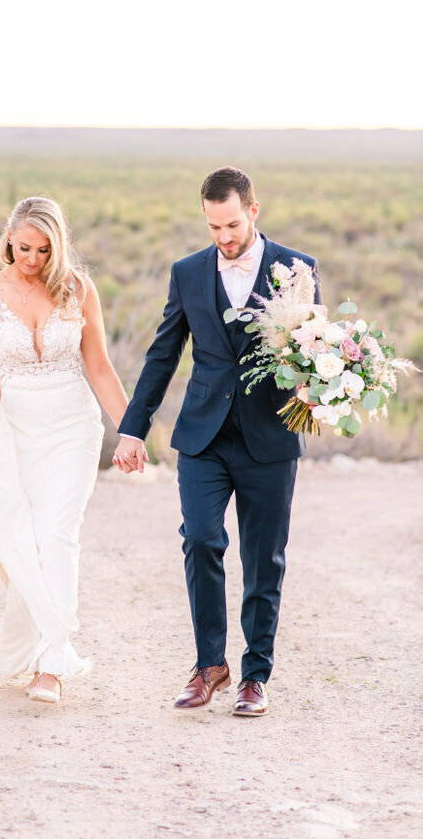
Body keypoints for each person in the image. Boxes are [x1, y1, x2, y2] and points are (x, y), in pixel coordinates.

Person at [113, 167, 320, 717]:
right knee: (201, 540)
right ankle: (210, 667)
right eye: (212, 227)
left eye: (231, 224)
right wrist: (133, 427)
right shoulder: (187, 273)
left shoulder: (296, 269)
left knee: (263, 558)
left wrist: (325, 387)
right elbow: (163, 354)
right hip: (202, 436)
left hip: (269, 437)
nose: (223, 237)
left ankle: (255, 675)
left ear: (253, 210)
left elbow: (313, 348)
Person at [0, 196, 130, 704]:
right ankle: (38, 645)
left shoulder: (79, 291)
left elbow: (99, 367)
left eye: (43, 249)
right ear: (8, 242)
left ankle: (52, 664)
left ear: (58, 246)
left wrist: (131, 430)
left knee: (57, 534)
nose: (33, 260)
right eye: (23, 248)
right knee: (23, 540)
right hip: (12, 429)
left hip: (71, 428)